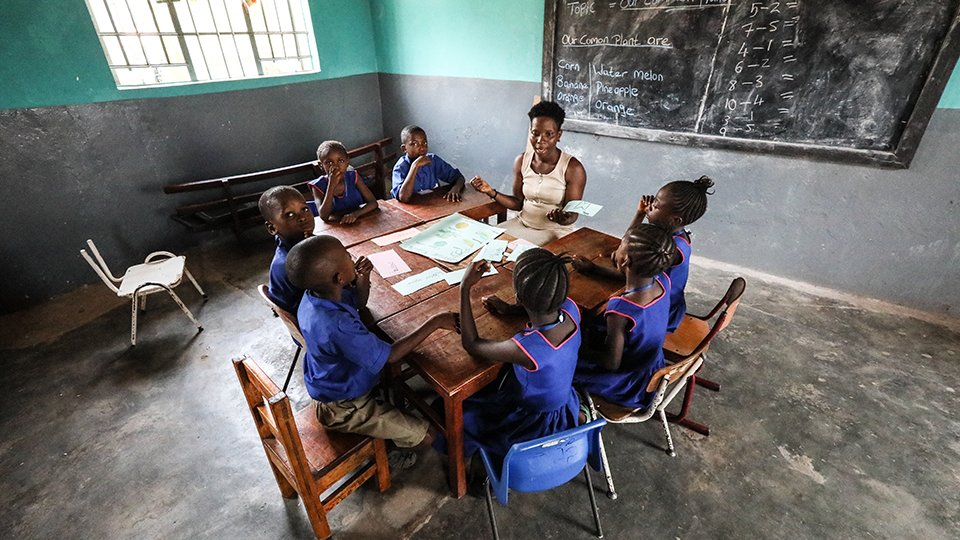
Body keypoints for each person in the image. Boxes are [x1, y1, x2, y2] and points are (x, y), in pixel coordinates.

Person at [286, 235, 458, 450]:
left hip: (334, 383)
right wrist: (436, 322)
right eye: (347, 256)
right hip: (343, 407)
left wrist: (363, 277)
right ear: (339, 278)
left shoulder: (317, 296)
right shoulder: (337, 325)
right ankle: (392, 451)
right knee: (428, 437)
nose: (352, 258)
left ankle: (384, 415)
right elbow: (391, 356)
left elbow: (359, 302)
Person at [451, 249, 582, 462]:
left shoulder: (526, 348)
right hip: (564, 407)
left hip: (533, 423)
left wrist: (464, 287)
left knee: (465, 413)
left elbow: (472, 344)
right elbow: (544, 309)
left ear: (518, 296)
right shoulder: (571, 309)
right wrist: (510, 310)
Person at [574, 224, 678, 410]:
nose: (616, 249)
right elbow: (629, 277)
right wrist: (595, 269)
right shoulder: (663, 280)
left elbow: (611, 363)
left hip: (628, 382)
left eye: (621, 245)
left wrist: (575, 348)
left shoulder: (621, 310)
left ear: (626, 260)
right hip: (651, 365)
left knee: (560, 363)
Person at [469, 100, 587, 245]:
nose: (540, 140)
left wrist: (563, 218)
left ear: (558, 135)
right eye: (535, 133)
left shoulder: (573, 168)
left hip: (553, 231)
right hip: (521, 224)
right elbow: (518, 203)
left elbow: (573, 215)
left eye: (548, 134)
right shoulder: (522, 161)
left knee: (515, 255)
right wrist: (490, 191)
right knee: (481, 242)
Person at [629, 176, 714, 332]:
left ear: (675, 219)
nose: (649, 208)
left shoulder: (669, 248)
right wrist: (641, 213)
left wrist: (594, 269)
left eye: (655, 206)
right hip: (670, 304)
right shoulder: (679, 235)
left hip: (659, 314)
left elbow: (626, 253)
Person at [258, 186, 315, 314]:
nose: (302, 217)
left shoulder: (294, 243)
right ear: (272, 228)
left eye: (304, 209)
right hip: (314, 325)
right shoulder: (294, 265)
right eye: (289, 215)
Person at [308, 140, 379, 224]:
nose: (336, 166)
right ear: (321, 166)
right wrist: (331, 185)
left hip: (357, 222)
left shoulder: (353, 177)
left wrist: (355, 214)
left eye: (341, 161)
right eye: (329, 162)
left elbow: (373, 203)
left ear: (347, 161)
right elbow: (324, 216)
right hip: (334, 227)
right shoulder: (317, 186)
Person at [391, 125, 465, 203]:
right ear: (404, 148)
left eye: (424, 142)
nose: (422, 148)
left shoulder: (432, 160)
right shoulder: (400, 167)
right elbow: (403, 197)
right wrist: (414, 166)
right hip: (409, 210)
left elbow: (459, 178)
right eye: (414, 144)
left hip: (431, 204)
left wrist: (455, 189)